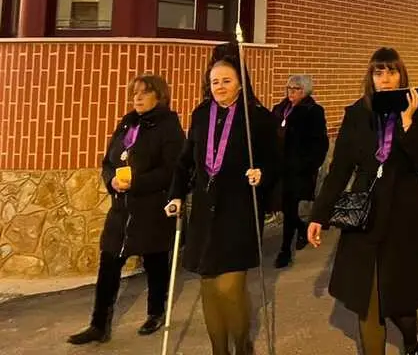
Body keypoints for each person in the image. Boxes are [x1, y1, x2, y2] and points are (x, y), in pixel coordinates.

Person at [308, 48, 418, 355]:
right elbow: (340, 169)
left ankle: (410, 341)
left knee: (401, 297)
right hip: (365, 213)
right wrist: (319, 215)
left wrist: (406, 123)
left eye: (392, 72)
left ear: (401, 75)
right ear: (371, 77)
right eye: (379, 72)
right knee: (368, 297)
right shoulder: (356, 113)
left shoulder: (417, 110)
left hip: (404, 214)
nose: (386, 79)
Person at [166, 44, 277, 355]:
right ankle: (219, 351)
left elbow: (277, 161)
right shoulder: (201, 115)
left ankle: (242, 348)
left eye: (227, 80)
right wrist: (176, 195)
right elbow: (185, 161)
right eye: (214, 81)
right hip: (205, 211)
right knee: (209, 288)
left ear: (240, 83)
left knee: (230, 287)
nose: (220, 87)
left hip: (238, 211)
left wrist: (263, 173)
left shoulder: (257, 117)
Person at [68, 75, 185, 345]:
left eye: (144, 93)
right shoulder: (127, 123)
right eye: (134, 93)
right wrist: (111, 180)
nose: (137, 98)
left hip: (151, 209)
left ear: (159, 96)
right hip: (121, 210)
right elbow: (108, 161)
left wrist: (137, 182)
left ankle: (155, 312)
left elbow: (172, 171)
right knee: (109, 263)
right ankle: (98, 324)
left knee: (155, 262)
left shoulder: (168, 127)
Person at [271, 74, 328, 268]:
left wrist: (309, 164)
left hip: (298, 169)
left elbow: (320, 143)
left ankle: (285, 250)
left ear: (305, 91)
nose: (291, 93)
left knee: (290, 207)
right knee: (283, 206)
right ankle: (301, 228)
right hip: (279, 167)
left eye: (296, 89)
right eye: (289, 88)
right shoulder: (280, 109)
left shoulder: (313, 111)